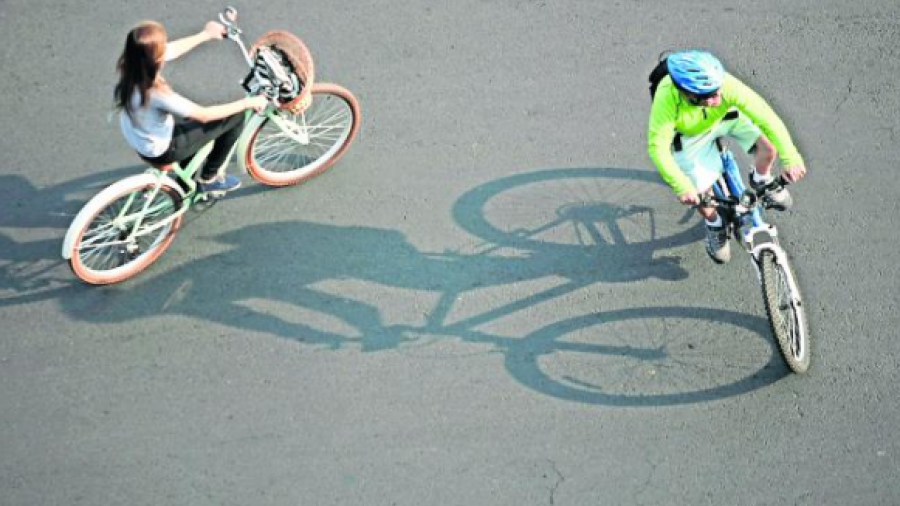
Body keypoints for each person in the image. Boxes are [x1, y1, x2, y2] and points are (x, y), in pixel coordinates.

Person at [647, 50, 807, 263]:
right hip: (690, 136)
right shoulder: (667, 96)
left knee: (768, 149)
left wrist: (791, 158)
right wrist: (682, 187)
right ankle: (715, 224)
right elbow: (657, 147)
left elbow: (766, 117)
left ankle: (762, 179)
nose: (719, 98)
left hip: (726, 118)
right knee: (700, 192)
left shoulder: (725, 86)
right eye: (710, 96)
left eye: (718, 91)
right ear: (688, 94)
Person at [114, 20, 269, 193]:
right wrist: (248, 103)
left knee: (191, 123)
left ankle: (185, 180)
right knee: (234, 117)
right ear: (156, 59)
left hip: (141, 138)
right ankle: (209, 178)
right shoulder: (155, 93)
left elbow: (171, 50)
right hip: (162, 149)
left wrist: (206, 34)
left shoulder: (130, 67)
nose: (166, 48)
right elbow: (203, 115)